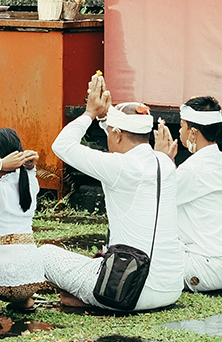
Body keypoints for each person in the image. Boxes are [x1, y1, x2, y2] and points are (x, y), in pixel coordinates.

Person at [39, 72, 182, 311]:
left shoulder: (118, 166)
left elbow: (61, 146)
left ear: (116, 134)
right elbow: (125, 134)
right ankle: (81, 296)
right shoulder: (165, 162)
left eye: (111, 132)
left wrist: (90, 113)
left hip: (126, 294)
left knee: (44, 254)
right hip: (170, 289)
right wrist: (106, 118)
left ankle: (87, 296)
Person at [153, 96, 222, 292]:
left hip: (206, 269)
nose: (179, 132)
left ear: (194, 132)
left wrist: (160, 158)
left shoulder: (193, 169)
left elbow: (155, 198)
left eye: (182, 127)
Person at [0, 128, 49, 314]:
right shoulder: (30, 182)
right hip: (33, 279)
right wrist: (26, 164)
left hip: (5, 283)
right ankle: (24, 301)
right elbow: (28, 171)